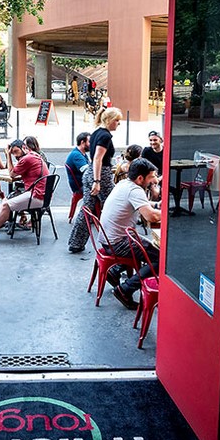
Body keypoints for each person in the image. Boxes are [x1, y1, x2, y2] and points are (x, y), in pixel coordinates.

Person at [96, 158, 162, 310]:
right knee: (160, 257)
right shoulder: (135, 190)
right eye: (151, 176)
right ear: (140, 178)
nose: (154, 179)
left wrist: (157, 205)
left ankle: (114, 271)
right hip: (117, 244)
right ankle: (125, 289)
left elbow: (142, 204)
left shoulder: (124, 183)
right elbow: (150, 216)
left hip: (107, 239)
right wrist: (165, 212)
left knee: (147, 246)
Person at [67, 107, 123, 253]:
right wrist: (97, 182)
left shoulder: (97, 132)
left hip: (91, 173)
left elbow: (94, 158)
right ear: (110, 120)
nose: (118, 123)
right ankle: (114, 242)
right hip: (100, 175)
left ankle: (76, 243)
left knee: (87, 209)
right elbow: (98, 158)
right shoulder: (105, 136)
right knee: (113, 207)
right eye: (117, 120)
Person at [0, 139, 49, 242]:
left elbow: (11, 174)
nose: (15, 155)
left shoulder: (27, 159)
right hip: (40, 194)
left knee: (6, 205)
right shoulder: (33, 155)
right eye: (13, 153)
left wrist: (8, 155)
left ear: (24, 148)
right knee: (5, 201)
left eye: (16, 152)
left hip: (36, 196)